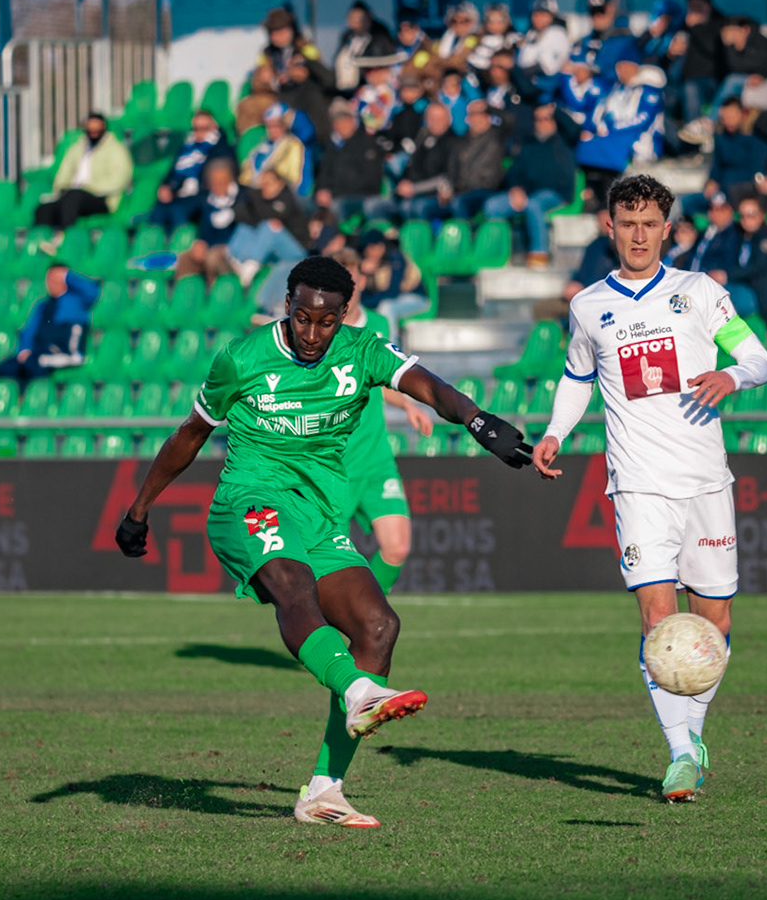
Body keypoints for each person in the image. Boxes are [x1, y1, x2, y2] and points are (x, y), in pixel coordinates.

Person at [113, 255, 531, 828]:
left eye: (326, 321)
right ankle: (356, 689)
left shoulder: (363, 350)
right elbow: (190, 435)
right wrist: (139, 509)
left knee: (378, 627)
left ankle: (324, 790)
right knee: (294, 586)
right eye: (303, 318)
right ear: (287, 305)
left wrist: (478, 421)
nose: (312, 333)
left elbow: (429, 386)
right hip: (249, 500)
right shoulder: (242, 357)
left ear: (344, 315)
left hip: (317, 515)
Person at [531, 173, 767, 803]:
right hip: (637, 484)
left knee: (714, 620)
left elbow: (761, 359)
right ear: (609, 227)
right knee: (657, 618)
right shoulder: (589, 306)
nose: (638, 236)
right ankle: (679, 755)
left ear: (668, 230)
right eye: (627, 224)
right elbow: (577, 377)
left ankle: (693, 732)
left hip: (706, 481)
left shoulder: (700, 292)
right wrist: (555, 431)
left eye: (649, 225)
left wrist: (731, 376)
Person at [336, 254, 433, 594]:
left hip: (375, 458)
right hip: (335, 463)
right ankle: (333, 617)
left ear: (362, 282)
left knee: (397, 547)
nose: (347, 291)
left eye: (351, 282)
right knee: (330, 561)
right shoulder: (324, 333)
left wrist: (408, 405)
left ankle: (366, 610)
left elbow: (383, 378)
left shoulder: (378, 323)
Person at [485, 103, 575, 262]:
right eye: (539, 119)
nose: (543, 123)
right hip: (527, 194)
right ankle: (499, 252)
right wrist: (515, 189)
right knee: (492, 206)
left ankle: (539, 253)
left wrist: (555, 110)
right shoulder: (527, 144)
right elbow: (514, 171)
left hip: (556, 193)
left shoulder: (565, 140)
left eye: (547, 119)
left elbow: (574, 129)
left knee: (534, 204)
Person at [574, 59, 667, 206]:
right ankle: (593, 197)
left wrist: (612, 129)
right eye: (618, 67)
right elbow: (599, 114)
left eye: (625, 66)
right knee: (588, 147)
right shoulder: (615, 88)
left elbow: (643, 119)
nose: (620, 71)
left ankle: (609, 202)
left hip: (640, 142)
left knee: (608, 152)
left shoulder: (649, 89)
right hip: (612, 138)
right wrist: (595, 129)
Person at [0, 260, 100, 387]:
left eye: (56, 278)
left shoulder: (76, 301)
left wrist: (67, 275)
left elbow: (92, 292)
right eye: (49, 278)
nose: (51, 282)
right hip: (40, 353)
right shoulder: (43, 305)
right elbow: (30, 329)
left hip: (67, 355)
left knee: (34, 364)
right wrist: (24, 349)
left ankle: (39, 395)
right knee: (6, 368)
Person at [34, 112, 132, 232]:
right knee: (44, 209)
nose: (93, 132)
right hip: (72, 194)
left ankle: (67, 237)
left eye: (97, 129)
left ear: (104, 129)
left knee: (73, 198)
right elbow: (63, 173)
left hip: (102, 198)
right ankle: (42, 239)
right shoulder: (77, 147)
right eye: (90, 129)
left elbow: (119, 179)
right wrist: (61, 188)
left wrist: (87, 187)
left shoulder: (116, 149)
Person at [146, 110, 235, 230]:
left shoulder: (221, 149)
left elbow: (220, 179)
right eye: (196, 129)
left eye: (204, 128)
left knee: (177, 211)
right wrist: (166, 187)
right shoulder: (186, 148)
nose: (199, 132)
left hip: (203, 195)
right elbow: (172, 172)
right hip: (180, 194)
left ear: (214, 127)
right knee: (158, 211)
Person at [370, 101, 458, 222]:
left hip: (432, 196)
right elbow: (410, 167)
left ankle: (414, 234)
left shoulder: (454, 143)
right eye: (431, 118)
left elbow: (447, 178)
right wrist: (402, 184)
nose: (435, 121)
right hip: (409, 193)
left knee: (410, 207)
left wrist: (414, 189)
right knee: (374, 206)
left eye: (439, 118)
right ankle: (387, 233)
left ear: (448, 120)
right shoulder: (422, 139)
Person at [686, 97, 767, 215]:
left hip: (741, 191)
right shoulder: (720, 139)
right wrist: (711, 182)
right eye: (724, 118)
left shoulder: (756, 142)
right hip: (720, 191)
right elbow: (716, 168)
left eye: (731, 117)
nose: (728, 121)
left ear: (742, 114)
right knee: (687, 201)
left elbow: (757, 174)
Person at [313, 101, 384, 221]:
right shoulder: (332, 147)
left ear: (352, 122)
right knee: (306, 205)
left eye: (345, 121)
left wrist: (333, 193)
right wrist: (322, 190)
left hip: (360, 196)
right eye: (338, 122)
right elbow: (323, 173)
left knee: (335, 207)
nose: (342, 125)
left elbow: (370, 180)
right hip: (334, 195)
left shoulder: (368, 144)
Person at [174, 159, 243, 277]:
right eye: (215, 182)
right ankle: (186, 288)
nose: (218, 185)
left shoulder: (242, 198)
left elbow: (245, 230)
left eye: (222, 181)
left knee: (212, 257)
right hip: (209, 247)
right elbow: (203, 230)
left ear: (230, 180)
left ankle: (214, 288)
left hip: (232, 250)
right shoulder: (206, 201)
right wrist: (200, 243)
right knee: (185, 258)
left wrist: (225, 247)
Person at [727, 195, 767, 319]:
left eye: (751, 215)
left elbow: (756, 267)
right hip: (749, 289)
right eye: (742, 216)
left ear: (762, 215)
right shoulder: (741, 237)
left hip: (763, 297)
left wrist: (727, 275)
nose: (746, 220)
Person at [444, 99, 506, 219]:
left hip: (487, 189)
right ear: (468, 119)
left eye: (481, 114)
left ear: (488, 117)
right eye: (473, 114)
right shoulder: (461, 141)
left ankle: (467, 230)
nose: (477, 118)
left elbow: (509, 120)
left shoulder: (496, 136)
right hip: (462, 190)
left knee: (458, 202)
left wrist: (489, 108)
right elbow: (452, 169)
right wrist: (450, 188)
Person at [242, 104, 310, 196]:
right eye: (269, 126)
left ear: (284, 126)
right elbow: (246, 175)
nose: (272, 130)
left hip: (284, 195)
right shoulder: (261, 147)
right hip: (257, 196)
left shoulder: (294, 145)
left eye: (276, 126)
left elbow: (296, 179)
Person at [332, 0, 397, 95]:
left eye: (359, 18)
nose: (355, 21)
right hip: (345, 89)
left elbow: (380, 65)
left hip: (370, 90)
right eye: (351, 17)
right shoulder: (347, 37)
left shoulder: (379, 38)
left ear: (368, 19)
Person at [515, 0, 571, 98]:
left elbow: (549, 68)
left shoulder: (558, 33)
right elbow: (522, 62)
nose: (539, 18)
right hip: (529, 88)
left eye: (544, 14)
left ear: (552, 16)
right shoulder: (531, 33)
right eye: (536, 14)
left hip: (549, 91)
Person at [565, 209, 619, 304]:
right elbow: (581, 273)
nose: (601, 222)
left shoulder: (620, 245)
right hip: (587, 291)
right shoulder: (595, 244)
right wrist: (575, 282)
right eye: (599, 218)